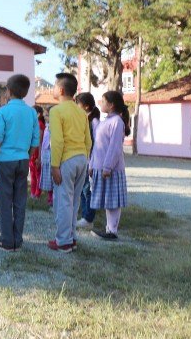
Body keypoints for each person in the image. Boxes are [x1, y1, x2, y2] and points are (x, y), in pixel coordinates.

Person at [0, 74, 40, 252]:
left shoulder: (3, 111)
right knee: (20, 200)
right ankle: (17, 239)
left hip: (5, 160)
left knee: (5, 200)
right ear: (26, 92)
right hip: (22, 160)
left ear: (8, 91)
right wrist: (27, 155)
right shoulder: (31, 112)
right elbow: (35, 140)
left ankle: (6, 239)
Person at [47, 73, 92, 252]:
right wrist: (85, 158)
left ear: (61, 90)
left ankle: (63, 241)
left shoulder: (56, 111)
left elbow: (57, 141)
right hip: (82, 158)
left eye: (53, 86)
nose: (52, 89)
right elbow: (88, 140)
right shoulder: (81, 112)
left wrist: (54, 165)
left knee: (63, 201)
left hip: (66, 159)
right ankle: (71, 237)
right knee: (74, 202)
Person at [90, 91, 130, 240]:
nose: (101, 103)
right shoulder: (105, 121)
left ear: (111, 104)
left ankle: (112, 231)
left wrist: (107, 167)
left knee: (113, 201)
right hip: (101, 168)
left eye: (103, 101)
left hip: (111, 169)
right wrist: (92, 164)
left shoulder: (117, 122)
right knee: (108, 200)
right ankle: (109, 228)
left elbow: (115, 147)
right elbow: (97, 146)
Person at [75, 92, 101, 228]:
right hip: (83, 159)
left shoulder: (94, 122)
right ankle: (85, 215)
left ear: (85, 106)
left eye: (77, 104)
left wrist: (92, 163)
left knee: (87, 189)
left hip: (90, 161)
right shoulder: (85, 120)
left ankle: (88, 218)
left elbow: (97, 144)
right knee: (82, 189)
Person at [29, 105, 46, 198]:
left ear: (38, 114)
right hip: (32, 151)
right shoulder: (33, 124)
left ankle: (37, 193)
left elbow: (39, 142)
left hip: (37, 152)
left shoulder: (39, 124)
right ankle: (33, 192)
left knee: (37, 174)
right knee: (32, 174)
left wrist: (39, 157)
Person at [39, 119, 54, 206]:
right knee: (48, 177)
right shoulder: (46, 127)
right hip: (46, 155)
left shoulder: (55, 126)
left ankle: (53, 197)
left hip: (52, 155)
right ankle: (49, 195)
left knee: (52, 176)